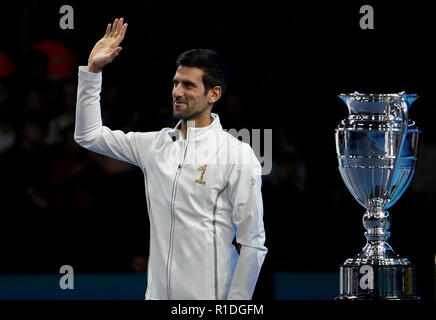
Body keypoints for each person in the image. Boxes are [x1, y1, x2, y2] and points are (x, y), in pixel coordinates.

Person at [74, 18, 267, 300]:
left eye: (188, 85)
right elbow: (88, 135)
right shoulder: (154, 145)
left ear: (214, 93)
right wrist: (93, 71)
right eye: (176, 83)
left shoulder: (236, 154)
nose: (177, 92)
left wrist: (236, 303)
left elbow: (253, 242)